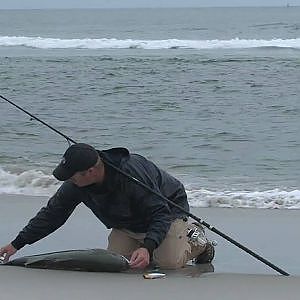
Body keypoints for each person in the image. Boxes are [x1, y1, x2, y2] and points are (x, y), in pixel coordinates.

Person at [0, 143, 214, 269]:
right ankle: (147, 244)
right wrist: (16, 245)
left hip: (168, 212)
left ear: (90, 171)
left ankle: (198, 241)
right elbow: (51, 215)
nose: (70, 181)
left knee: (168, 264)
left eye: (72, 177)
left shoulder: (130, 176)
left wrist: (147, 246)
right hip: (128, 223)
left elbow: (159, 211)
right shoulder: (77, 184)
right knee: (117, 265)